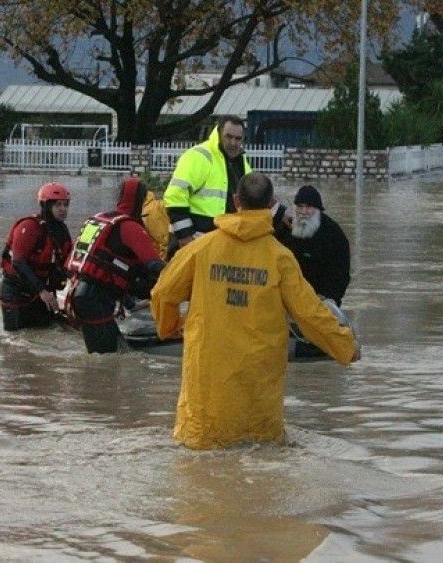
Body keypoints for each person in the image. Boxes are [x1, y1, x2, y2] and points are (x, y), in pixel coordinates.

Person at [150, 173, 361, 450]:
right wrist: (346, 346)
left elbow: (163, 293)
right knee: (260, 461)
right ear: (270, 205)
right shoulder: (281, 258)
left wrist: (168, 327)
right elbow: (310, 314)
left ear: (236, 201)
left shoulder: (201, 249)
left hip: (207, 393)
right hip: (259, 396)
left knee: (199, 469)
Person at [65, 177, 165, 353]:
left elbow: (96, 262)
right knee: (108, 359)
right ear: (140, 200)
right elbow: (154, 265)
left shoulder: (99, 219)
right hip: (96, 301)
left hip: (78, 295)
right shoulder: (130, 227)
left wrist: (131, 303)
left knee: (109, 354)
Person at [163, 115, 252, 249]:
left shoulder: (242, 162)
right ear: (219, 133)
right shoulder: (198, 156)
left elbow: (253, 197)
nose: (233, 142)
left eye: (238, 138)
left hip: (223, 244)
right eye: (228, 137)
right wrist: (185, 236)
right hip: (192, 241)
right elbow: (175, 197)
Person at [0, 182, 72, 330]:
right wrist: (42, 292)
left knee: (47, 331)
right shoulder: (29, 227)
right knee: (16, 340)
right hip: (16, 293)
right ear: (45, 206)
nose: (63, 209)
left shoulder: (62, 231)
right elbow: (18, 262)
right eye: (58, 205)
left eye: (65, 205)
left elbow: (67, 263)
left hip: (41, 292)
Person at [276, 185, 351, 306]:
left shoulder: (334, 235)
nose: (304, 212)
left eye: (309, 207)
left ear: (318, 209)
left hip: (321, 300)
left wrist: (328, 298)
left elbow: (341, 275)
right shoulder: (286, 228)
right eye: (300, 206)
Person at [141, 187, 171, 260]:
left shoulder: (150, 211)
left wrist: (162, 263)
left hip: (161, 260)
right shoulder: (149, 208)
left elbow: (164, 239)